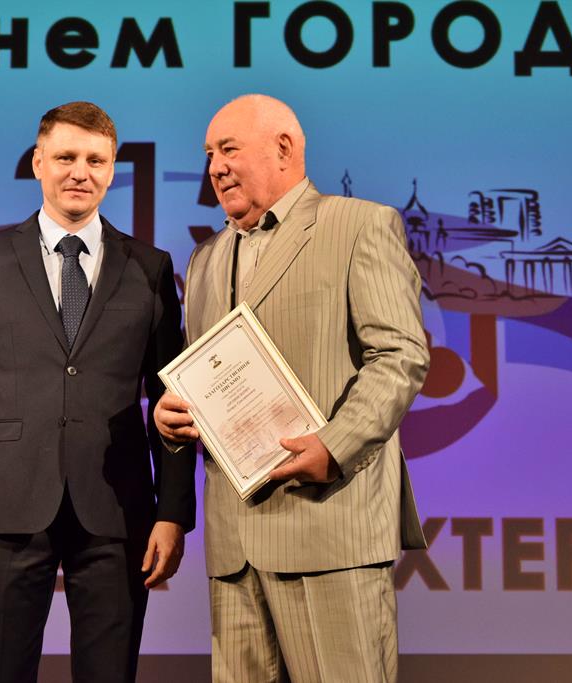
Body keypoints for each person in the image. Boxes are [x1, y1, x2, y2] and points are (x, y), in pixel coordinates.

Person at [155, 94, 429, 683]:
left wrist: (335, 445)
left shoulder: (358, 225)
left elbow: (399, 355)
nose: (215, 167)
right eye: (209, 154)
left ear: (283, 148)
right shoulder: (204, 259)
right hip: (235, 548)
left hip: (329, 529)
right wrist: (174, 418)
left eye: (228, 149)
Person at [0, 101, 195, 683]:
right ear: (38, 162)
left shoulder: (150, 267)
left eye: (96, 160)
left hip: (118, 510)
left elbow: (174, 401)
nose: (81, 172)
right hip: (6, 510)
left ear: (112, 169)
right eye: (66, 157)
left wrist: (173, 513)